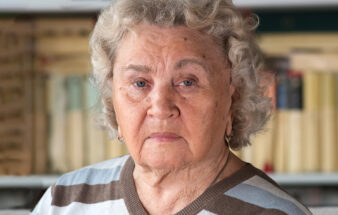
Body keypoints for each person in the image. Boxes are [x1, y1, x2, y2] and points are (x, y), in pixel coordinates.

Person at [32, 0, 312, 214]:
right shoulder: (64, 202)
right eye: (140, 83)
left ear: (232, 98)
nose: (161, 107)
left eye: (187, 82)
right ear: (111, 98)